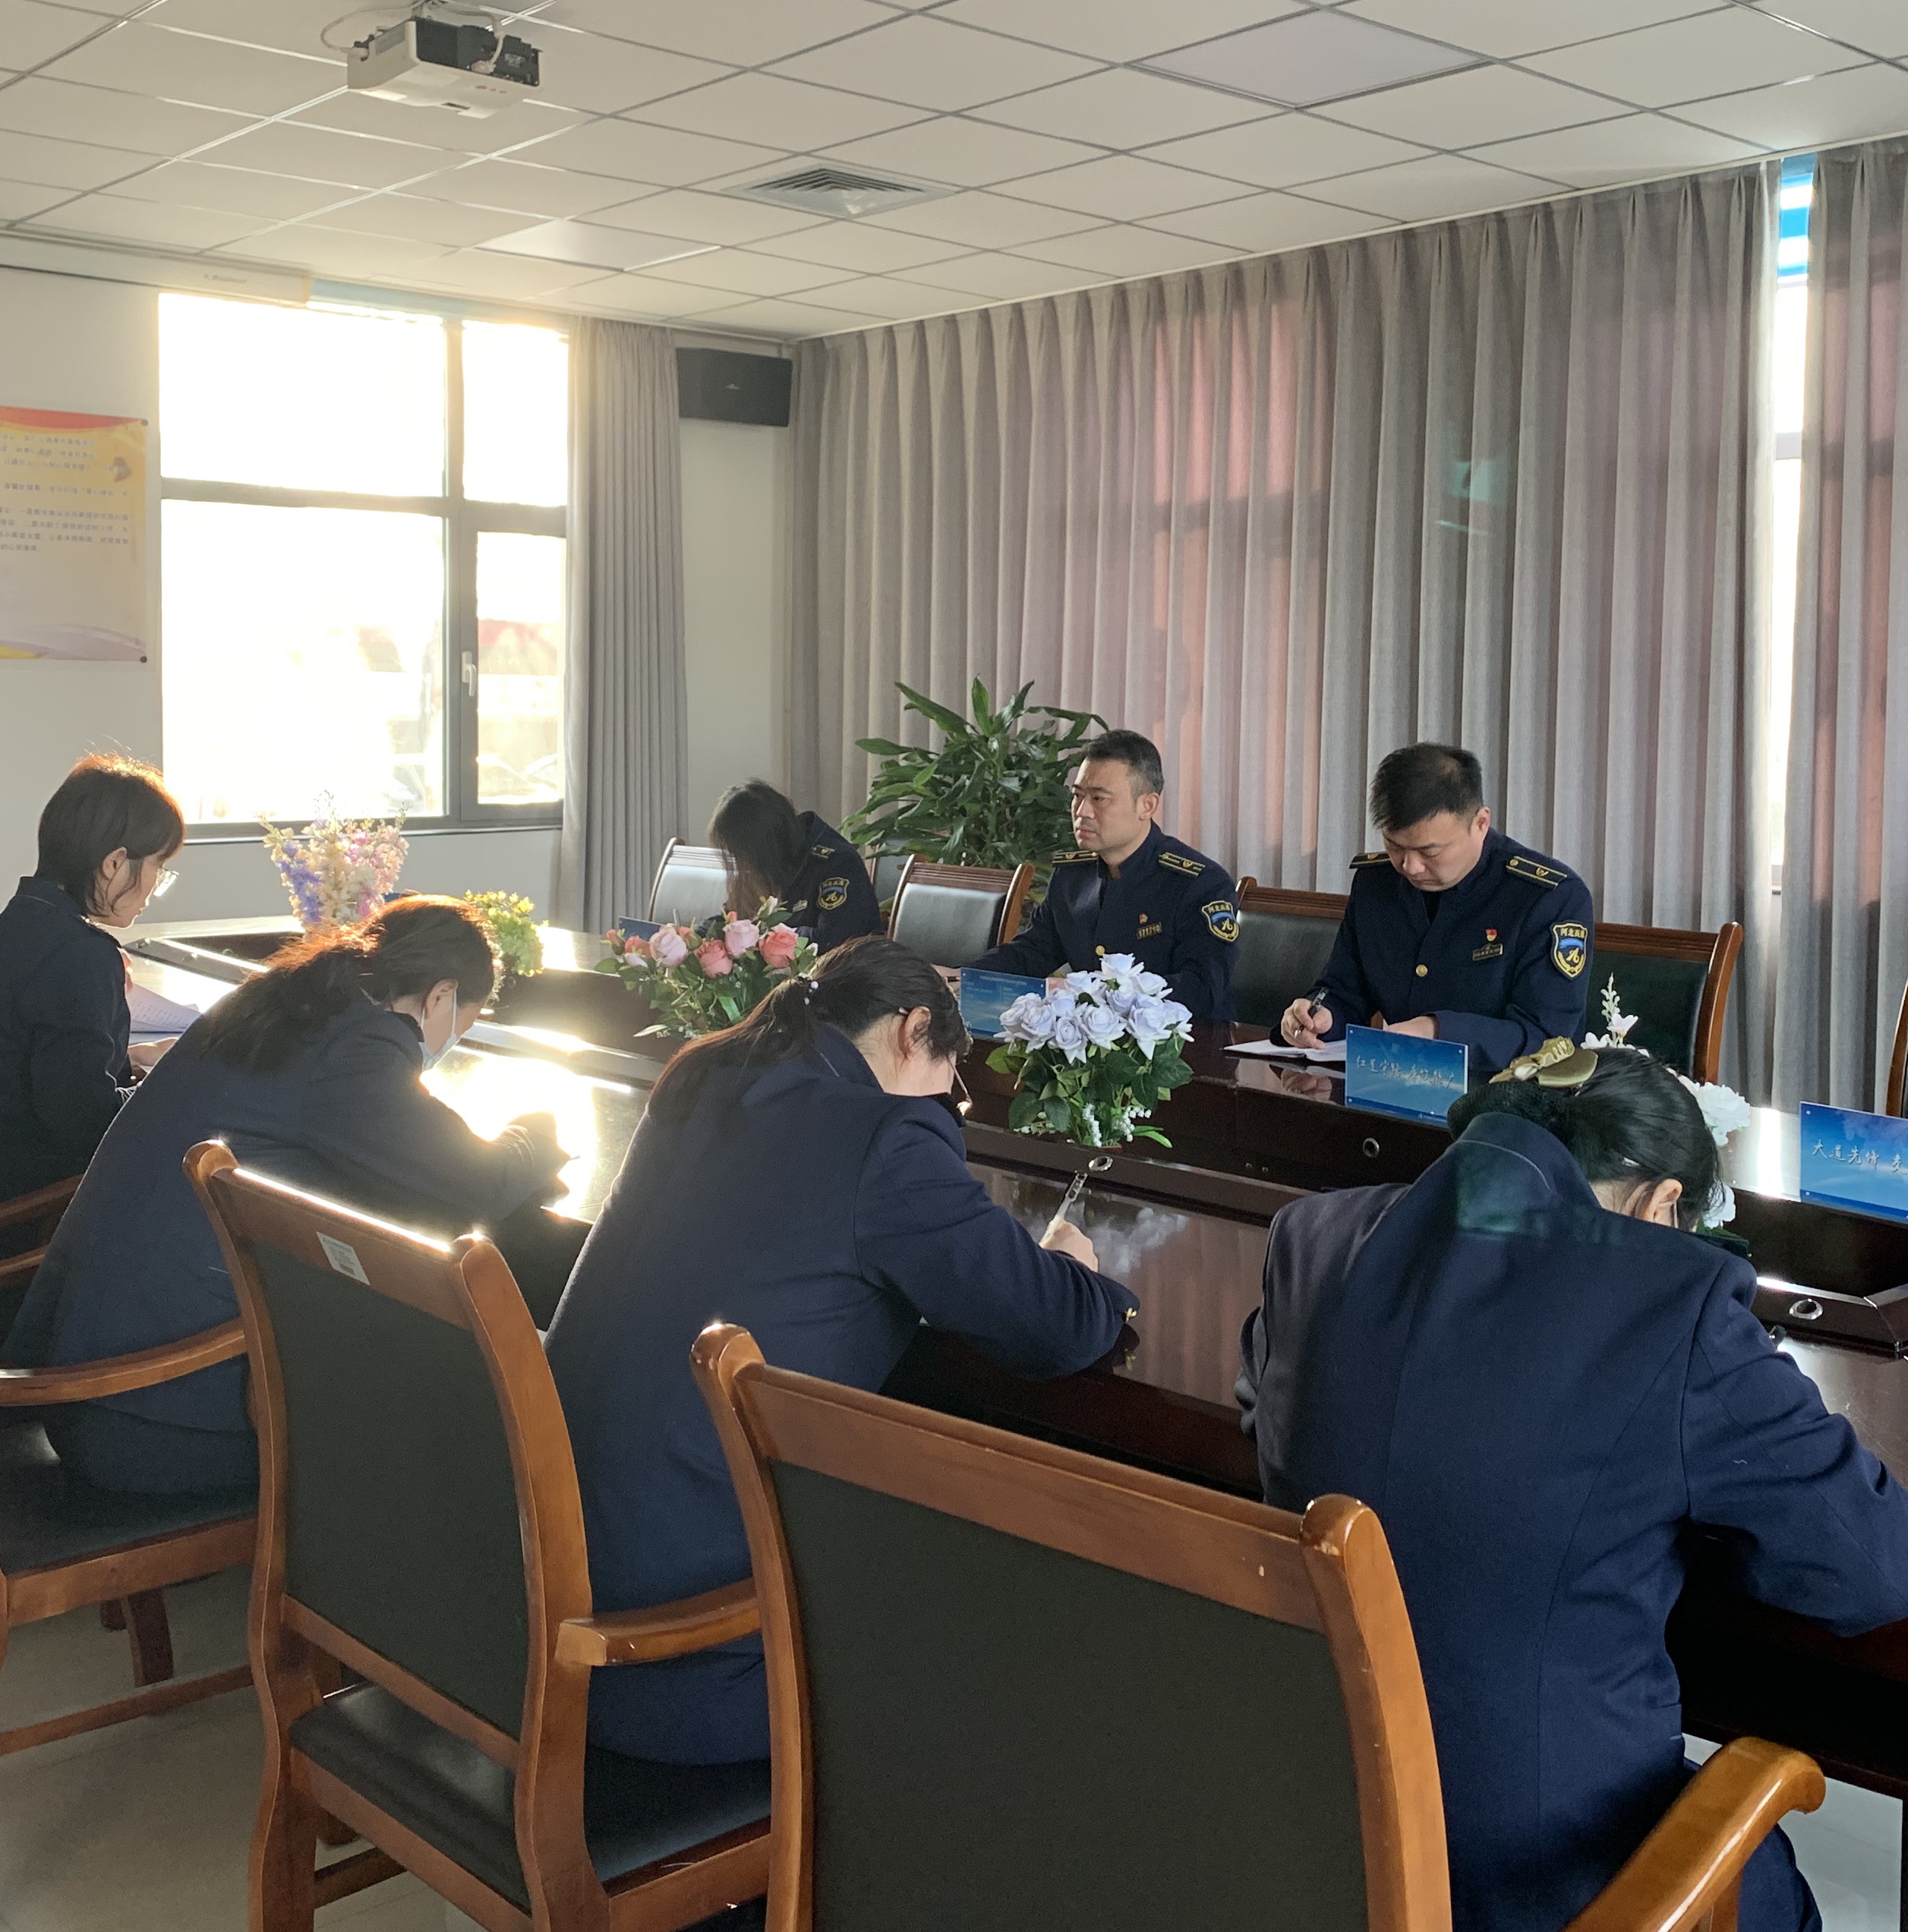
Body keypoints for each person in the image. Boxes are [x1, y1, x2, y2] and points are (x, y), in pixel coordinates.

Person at [1238, 1043, 1908, 1932]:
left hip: (1315, 1852)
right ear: (1660, 1204)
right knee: (1773, 1890)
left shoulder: (1311, 1238)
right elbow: (1878, 1568)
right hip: (1547, 1901)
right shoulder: (1670, 1295)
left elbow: (1265, 1416)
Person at [544, 936, 1137, 1767]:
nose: (948, 1106)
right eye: (951, 1084)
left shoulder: (709, 1078)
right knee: (1021, 1603)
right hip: (683, 1662)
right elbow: (1055, 1325)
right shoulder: (883, 1135)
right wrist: (1077, 1269)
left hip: (554, 1593)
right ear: (913, 1030)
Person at [2, 897, 563, 1495]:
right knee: (439, 1434)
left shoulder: (280, 1001)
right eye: (461, 1026)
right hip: (154, 1416)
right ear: (441, 996)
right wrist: (535, 1136)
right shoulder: (360, 1044)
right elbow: (476, 1181)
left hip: (84, 1378)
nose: (447, 1043)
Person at [0, 756, 184, 1220]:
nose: (154, 887)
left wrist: (130, 1062)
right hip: (20, 1220)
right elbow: (86, 1126)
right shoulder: (81, 956)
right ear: (114, 864)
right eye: (158, 868)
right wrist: (167, 1086)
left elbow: (30, 1068)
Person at [1279, 741, 1594, 1064]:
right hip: (1395, 1081)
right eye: (1395, 846)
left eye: (1429, 852)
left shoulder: (1549, 898)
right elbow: (1345, 989)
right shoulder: (1376, 883)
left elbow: (1548, 1038)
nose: (1410, 867)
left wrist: (1437, 1031)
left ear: (1480, 824)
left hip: (1505, 1090)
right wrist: (1319, 1016)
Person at [967, 730, 1239, 1023]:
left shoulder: (1199, 884)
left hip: (1189, 1043)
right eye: (1077, 796)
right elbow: (1032, 952)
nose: (1082, 811)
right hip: (1087, 1040)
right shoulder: (1073, 876)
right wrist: (965, 978)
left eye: (1099, 798)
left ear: (1147, 806)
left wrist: (1085, 992)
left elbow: (1200, 989)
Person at [709, 778, 882, 949]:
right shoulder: (772, 861)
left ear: (763, 847)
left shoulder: (838, 864)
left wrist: (763, 937)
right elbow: (733, 918)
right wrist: (699, 937)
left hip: (848, 965)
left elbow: (832, 941)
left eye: (743, 855)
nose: (744, 864)